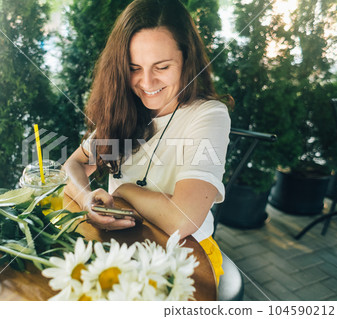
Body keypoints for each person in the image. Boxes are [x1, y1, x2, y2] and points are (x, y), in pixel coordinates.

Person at [63, 0, 232, 286]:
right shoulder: (127, 107)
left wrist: (125, 191)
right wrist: (86, 198)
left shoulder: (209, 115)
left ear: (186, 60)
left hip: (187, 258)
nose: (146, 81)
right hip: (123, 250)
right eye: (134, 67)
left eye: (162, 66)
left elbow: (182, 220)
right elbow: (74, 165)